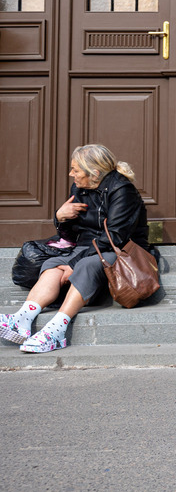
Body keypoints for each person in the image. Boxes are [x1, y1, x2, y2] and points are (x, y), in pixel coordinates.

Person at [0, 144, 155, 353]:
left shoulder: (122, 190)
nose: (71, 173)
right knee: (52, 264)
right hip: (87, 247)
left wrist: (73, 264)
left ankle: (56, 331)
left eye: (75, 169)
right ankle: (23, 319)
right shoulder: (80, 188)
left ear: (94, 173)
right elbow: (72, 234)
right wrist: (60, 217)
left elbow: (116, 237)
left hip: (122, 251)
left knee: (87, 265)